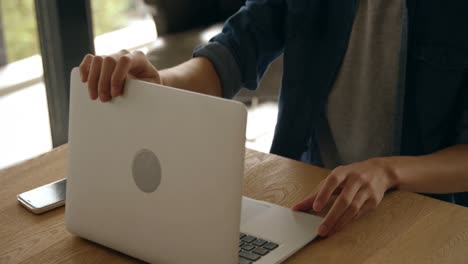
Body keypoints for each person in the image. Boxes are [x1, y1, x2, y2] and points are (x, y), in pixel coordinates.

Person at [79, 0, 468, 238]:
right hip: (316, 207)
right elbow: (232, 52)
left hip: (427, 216)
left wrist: (388, 172)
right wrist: (159, 82)